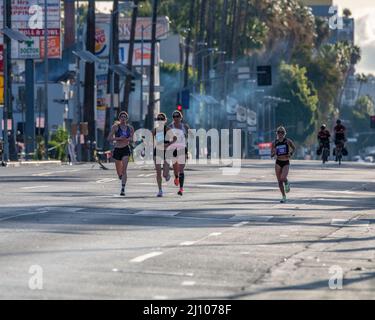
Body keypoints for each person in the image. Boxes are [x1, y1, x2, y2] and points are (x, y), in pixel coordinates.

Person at [107, 111, 134, 196]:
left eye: (124, 117)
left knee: (124, 170)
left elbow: (132, 138)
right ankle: (120, 176)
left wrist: (128, 139)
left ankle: (123, 188)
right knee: (119, 172)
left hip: (126, 149)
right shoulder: (115, 127)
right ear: (119, 118)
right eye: (121, 117)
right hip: (117, 150)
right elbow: (109, 138)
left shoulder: (130, 128)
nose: (123, 118)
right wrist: (118, 138)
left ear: (127, 119)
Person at [271, 126, 296, 203]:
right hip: (278, 161)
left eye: (282, 132)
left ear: (284, 133)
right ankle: (283, 196)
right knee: (279, 181)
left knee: (283, 178)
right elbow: (271, 154)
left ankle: (287, 182)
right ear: (277, 133)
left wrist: (290, 154)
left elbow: (294, 148)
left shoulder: (287, 141)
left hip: (285, 162)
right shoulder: (274, 142)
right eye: (279, 132)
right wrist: (274, 153)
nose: (280, 134)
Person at [167, 110, 190, 196]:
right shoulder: (170, 126)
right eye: (174, 117)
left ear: (181, 118)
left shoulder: (185, 127)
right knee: (175, 168)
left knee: (181, 169)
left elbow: (190, 137)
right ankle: (176, 177)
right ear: (173, 118)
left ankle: (181, 189)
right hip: (173, 149)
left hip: (182, 149)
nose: (176, 118)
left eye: (178, 117)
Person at [153, 113, 172, 197]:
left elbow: (175, 139)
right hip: (157, 151)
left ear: (165, 120)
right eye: (159, 119)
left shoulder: (167, 129)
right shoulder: (155, 130)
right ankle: (160, 190)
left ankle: (167, 174)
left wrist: (168, 144)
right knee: (158, 172)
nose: (160, 120)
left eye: (162, 119)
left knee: (164, 174)